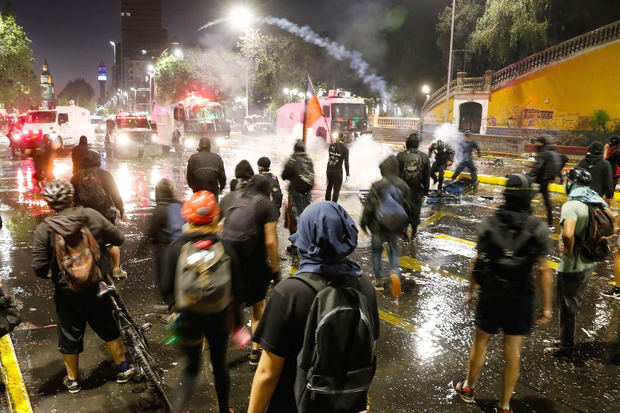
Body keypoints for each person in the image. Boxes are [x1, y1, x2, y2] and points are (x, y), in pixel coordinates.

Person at [247, 202, 379, 413]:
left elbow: (267, 373)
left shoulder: (289, 293)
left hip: (296, 403)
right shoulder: (363, 284)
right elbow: (368, 345)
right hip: (345, 403)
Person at [454, 174, 553, 413]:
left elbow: (476, 261)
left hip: (491, 292)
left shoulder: (490, 222)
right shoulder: (537, 227)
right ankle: (504, 405)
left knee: (480, 343)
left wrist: (471, 291)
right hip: (521, 296)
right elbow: (544, 270)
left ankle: (468, 388)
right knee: (513, 352)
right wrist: (548, 306)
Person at [32, 180, 134, 394]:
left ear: (50, 203)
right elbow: (118, 238)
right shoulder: (90, 215)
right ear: (72, 196)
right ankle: (123, 369)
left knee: (69, 333)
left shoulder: (45, 229)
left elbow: (39, 267)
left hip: (67, 291)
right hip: (98, 284)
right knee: (109, 327)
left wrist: (59, 275)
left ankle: (73, 380)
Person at [160, 191, 234, 413]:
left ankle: (179, 409)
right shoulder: (225, 245)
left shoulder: (177, 246)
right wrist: (237, 321)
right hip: (219, 315)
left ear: (188, 217)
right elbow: (238, 285)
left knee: (191, 367)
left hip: (189, 316)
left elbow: (165, 286)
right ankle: (223, 409)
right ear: (214, 217)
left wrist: (176, 306)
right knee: (219, 363)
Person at [550, 167, 613, 361]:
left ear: (572, 183)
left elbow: (568, 233)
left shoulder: (572, 205)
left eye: (567, 180)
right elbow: (614, 221)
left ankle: (565, 348)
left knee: (567, 305)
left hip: (573, 264)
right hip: (589, 261)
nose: (565, 183)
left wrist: (568, 248)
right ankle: (564, 337)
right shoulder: (596, 201)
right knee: (572, 302)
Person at [221, 175, 280, 365]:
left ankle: (220, 352)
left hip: (230, 260)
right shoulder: (265, 204)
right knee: (258, 307)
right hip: (253, 262)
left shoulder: (235, 199)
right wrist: (275, 268)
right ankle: (255, 352)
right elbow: (271, 241)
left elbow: (220, 227)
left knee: (232, 304)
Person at [361, 155, 412, 298]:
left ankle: (378, 282)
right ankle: (395, 273)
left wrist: (364, 223)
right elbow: (408, 208)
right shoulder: (403, 185)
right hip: (395, 224)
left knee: (377, 252)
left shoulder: (377, 185)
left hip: (379, 224)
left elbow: (369, 207)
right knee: (393, 249)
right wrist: (404, 228)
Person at [72, 150, 126, 278]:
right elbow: (115, 194)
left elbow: (73, 198)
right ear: (98, 161)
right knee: (111, 242)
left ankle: (88, 269)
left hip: (84, 215)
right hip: (105, 213)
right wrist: (121, 210)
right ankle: (116, 269)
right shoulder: (105, 175)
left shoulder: (75, 177)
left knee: (86, 240)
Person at [147, 179, 184, 290]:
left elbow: (152, 230)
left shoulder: (159, 209)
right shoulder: (180, 205)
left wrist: (150, 240)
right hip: (181, 244)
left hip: (164, 248)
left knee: (164, 274)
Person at [396, 132, 430, 240]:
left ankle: (404, 233)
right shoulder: (424, 157)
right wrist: (426, 191)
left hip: (402, 189)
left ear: (407, 143)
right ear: (418, 144)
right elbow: (426, 177)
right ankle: (414, 233)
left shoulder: (400, 156)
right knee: (416, 210)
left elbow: (395, 174)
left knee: (404, 209)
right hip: (417, 189)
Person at [282, 140, 314, 243]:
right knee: (306, 215)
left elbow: (284, 175)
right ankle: (307, 240)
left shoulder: (293, 160)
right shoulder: (309, 160)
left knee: (294, 217)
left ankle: (296, 244)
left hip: (295, 192)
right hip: (307, 192)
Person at [527, 136, 558, 229]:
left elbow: (538, 167)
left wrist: (528, 175)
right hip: (546, 179)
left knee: (527, 197)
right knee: (547, 202)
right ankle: (550, 223)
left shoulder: (542, 153)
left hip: (541, 180)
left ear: (541, 143)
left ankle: (526, 218)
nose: (535, 144)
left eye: (537, 142)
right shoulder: (548, 152)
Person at [325, 132, 350, 202]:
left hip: (329, 170)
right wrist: (347, 173)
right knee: (336, 189)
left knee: (329, 187)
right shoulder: (345, 149)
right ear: (343, 139)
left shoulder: (331, 146)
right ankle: (333, 205)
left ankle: (326, 204)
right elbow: (346, 163)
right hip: (337, 172)